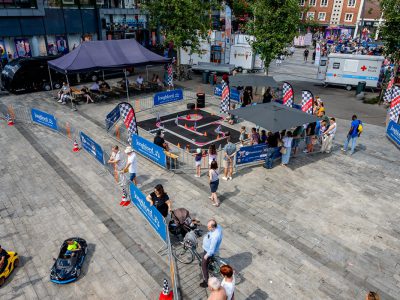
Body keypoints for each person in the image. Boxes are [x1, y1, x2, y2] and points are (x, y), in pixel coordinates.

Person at [199, 219, 223, 288]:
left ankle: (206, 281)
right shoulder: (218, 226)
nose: (207, 228)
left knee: (203, 265)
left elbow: (211, 250)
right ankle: (210, 263)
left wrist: (206, 256)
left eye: (209, 227)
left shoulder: (215, 237)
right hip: (209, 247)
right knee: (208, 261)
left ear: (213, 227)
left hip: (208, 250)